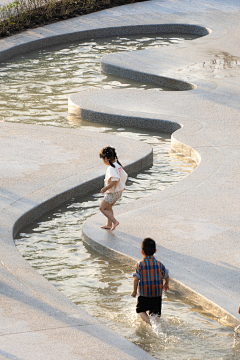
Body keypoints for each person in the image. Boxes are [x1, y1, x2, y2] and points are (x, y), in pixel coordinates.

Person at [131, 237, 169, 326]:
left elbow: (136, 278)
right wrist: (166, 283)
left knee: (140, 310)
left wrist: (134, 291)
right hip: (157, 296)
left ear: (142, 252)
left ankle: (150, 325)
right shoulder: (159, 264)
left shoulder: (140, 265)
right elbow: (166, 274)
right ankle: (156, 325)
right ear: (155, 251)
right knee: (155, 315)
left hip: (145, 295)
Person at [99, 146, 127, 231]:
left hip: (113, 193)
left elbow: (114, 181)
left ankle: (115, 222)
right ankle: (109, 224)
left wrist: (105, 188)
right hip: (118, 192)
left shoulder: (111, 168)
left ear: (106, 159)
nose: (103, 161)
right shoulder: (118, 165)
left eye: (103, 159)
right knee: (109, 207)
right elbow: (124, 176)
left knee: (102, 208)